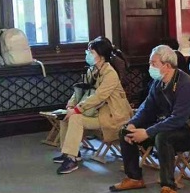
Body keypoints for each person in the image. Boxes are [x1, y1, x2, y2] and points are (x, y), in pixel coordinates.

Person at [109, 45, 190, 193]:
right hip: (170, 125)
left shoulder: (186, 84)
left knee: (163, 138)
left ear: (167, 65)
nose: (150, 67)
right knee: (125, 131)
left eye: (153, 63)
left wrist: (147, 132)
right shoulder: (158, 83)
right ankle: (134, 177)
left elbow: (179, 119)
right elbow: (146, 108)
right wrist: (132, 124)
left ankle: (168, 187)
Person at [54, 37, 133, 175]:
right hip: (95, 112)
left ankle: (71, 159)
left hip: (112, 117)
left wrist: (77, 110)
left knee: (75, 118)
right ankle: (69, 153)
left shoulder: (110, 74)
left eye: (91, 52)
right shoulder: (92, 70)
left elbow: (98, 96)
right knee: (65, 116)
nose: (88, 54)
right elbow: (81, 90)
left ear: (101, 56)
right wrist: (71, 106)